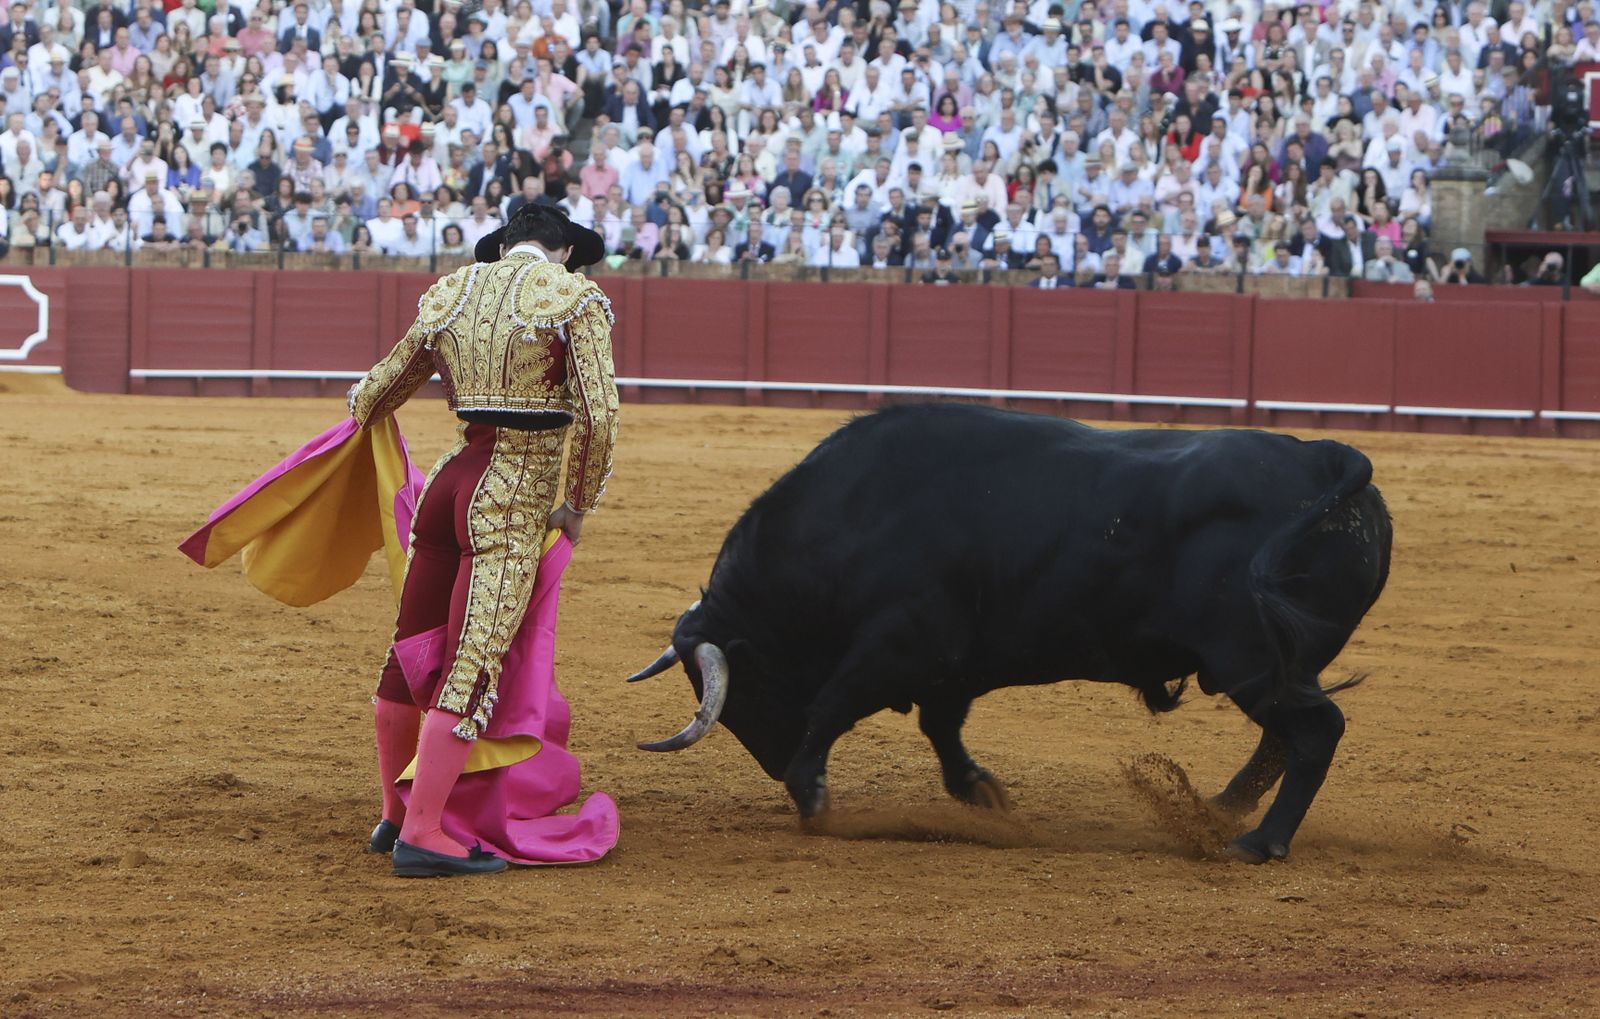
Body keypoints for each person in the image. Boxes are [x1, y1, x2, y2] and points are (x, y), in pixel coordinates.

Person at [346, 203, 618, 878]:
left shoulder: (451, 290)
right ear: (561, 251)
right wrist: (578, 504)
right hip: (508, 496)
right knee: (471, 661)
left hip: (446, 488)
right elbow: (601, 417)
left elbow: (373, 396)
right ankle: (425, 829)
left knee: (409, 648)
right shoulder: (574, 296)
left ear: (503, 244)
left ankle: (391, 811)